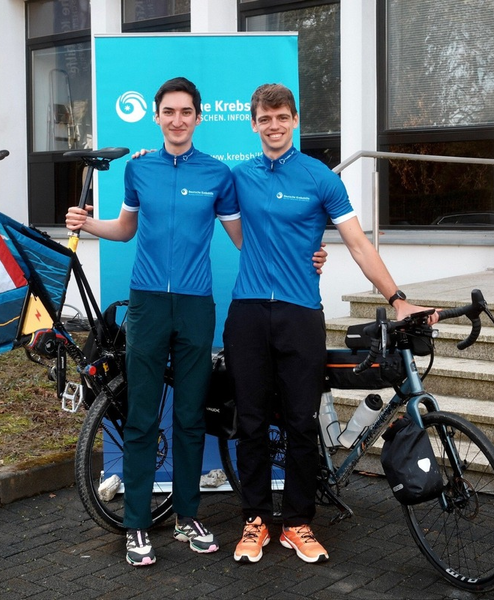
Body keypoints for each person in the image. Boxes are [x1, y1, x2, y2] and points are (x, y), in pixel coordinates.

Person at [66, 77, 327, 568]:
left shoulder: (218, 175)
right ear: (158, 116)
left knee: (190, 418)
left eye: (186, 112)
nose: (178, 119)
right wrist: (88, 225)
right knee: (142, 415)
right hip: (147, 305)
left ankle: (188, 516)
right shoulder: (138, 169)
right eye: (169, 111)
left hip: (196, 306)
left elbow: (248, 239)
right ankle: (137, 525)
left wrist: (307, 253)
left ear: (198, 117)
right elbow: (124, 230)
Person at [225, 83, 437, 565]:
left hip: (301, 313)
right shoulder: (239, 177)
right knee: (253, 422)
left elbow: (359, 245)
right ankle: (255, 519)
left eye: (282, 117)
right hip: (249, 312)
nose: (273, 125)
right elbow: (240, 237)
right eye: (265, 118)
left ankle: (298, 522)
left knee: (301, 422)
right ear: (253, 123)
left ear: (295, 120)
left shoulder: (320, 177)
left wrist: (397, 299)